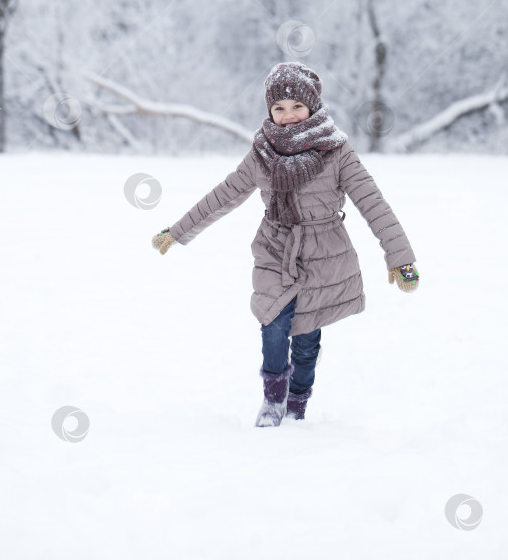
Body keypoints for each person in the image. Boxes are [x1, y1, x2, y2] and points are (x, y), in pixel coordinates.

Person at [151, 62, 419, 428]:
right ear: (269, 112)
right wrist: (178, 230)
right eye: (279, 108)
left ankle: (298, 403)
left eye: (296, 106)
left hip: (323, 251)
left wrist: (399, 258)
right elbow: (224, 195)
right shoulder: (262, 154)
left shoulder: (336, 151)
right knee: (273, 321)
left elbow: (373, 203)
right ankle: (273, 400)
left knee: (307, 339)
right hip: (275, 246)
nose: (288, 116)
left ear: (312, 107)